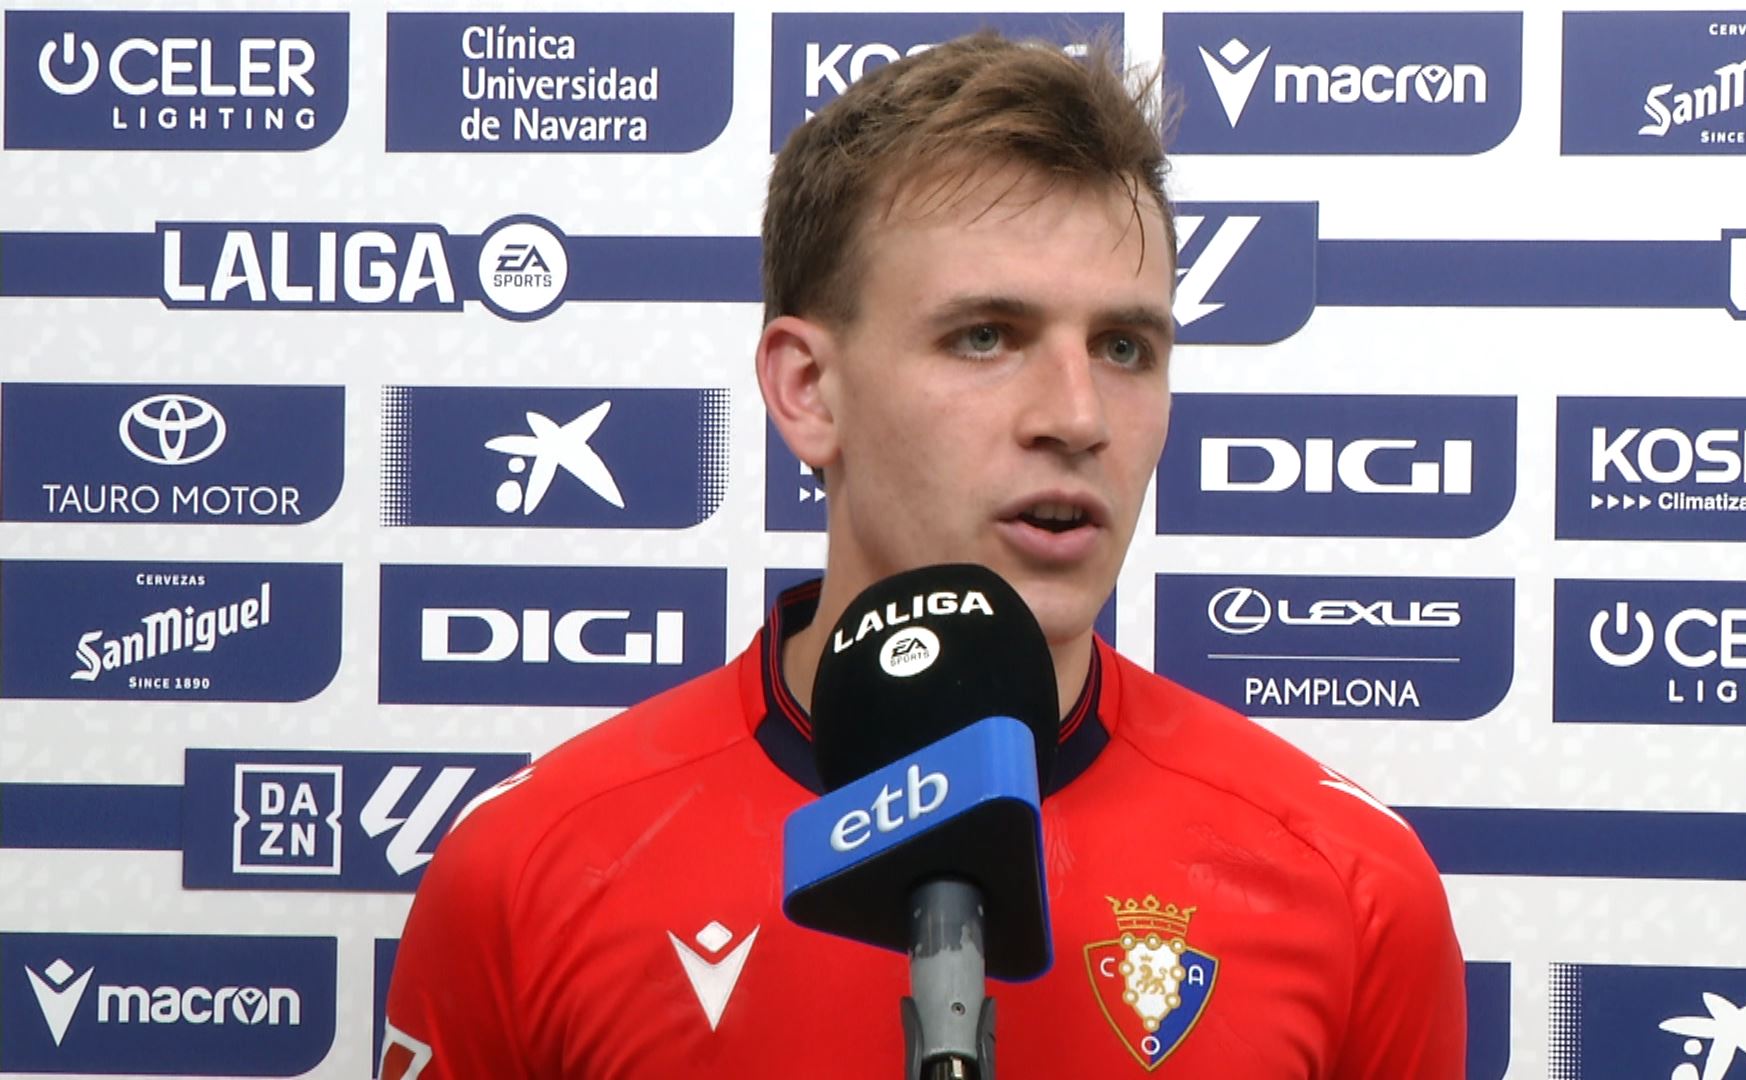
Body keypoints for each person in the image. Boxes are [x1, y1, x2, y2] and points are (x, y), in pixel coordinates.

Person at [382, 30, 1466, 1078]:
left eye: (1125, 347)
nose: (1078, 417)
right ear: (809, 390)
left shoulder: (1351, 885)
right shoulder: (527, 871)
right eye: (985, 336)